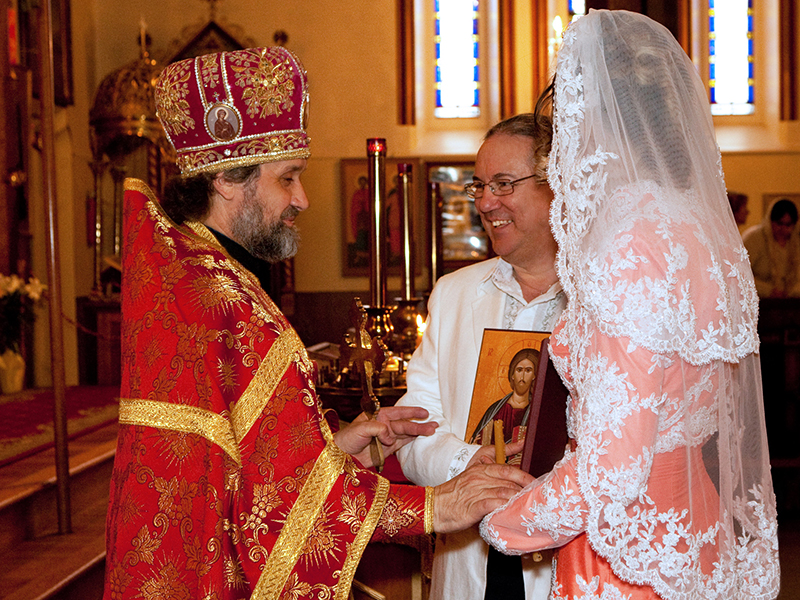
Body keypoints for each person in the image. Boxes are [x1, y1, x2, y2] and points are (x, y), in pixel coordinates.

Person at [102, 46, 532, 600]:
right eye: (288, 178)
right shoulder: (214, 297)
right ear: (230, 180)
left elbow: (240, 468)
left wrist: (342, 446)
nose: (302, 198)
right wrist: (435, 506)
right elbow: (281, 510)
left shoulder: (194, 273)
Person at [480, 10, 780, 599]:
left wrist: (500, 522)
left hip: (622, 556)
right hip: (690, 528)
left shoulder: (628, 241)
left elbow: (612, 471)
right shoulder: (697, 228)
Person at [395, 111, 566, 600]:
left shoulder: (604, 299)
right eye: (479, 186)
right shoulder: (453, 294)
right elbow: (414, 435)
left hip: (563, 565)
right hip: (469, 568)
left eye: (504, 184)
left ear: (556, 186)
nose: (486, 202)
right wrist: (472, 463)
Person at [470, 347, 540, 449]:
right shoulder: (495, 410)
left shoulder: (536, 411)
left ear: (534, 376)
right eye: (519, 370)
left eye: (528, 370)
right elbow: (476, 444)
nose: (523, 376)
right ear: (512, 374)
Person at [743, 197, 800, 298]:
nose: (783, 229)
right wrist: (768, 290)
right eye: (779, 223)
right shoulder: (754, 238)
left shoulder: (796, 241)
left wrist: (792, 291)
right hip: (759, 301)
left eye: (788, 225)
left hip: (793, 303)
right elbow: (740, 274)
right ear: (770, 221)